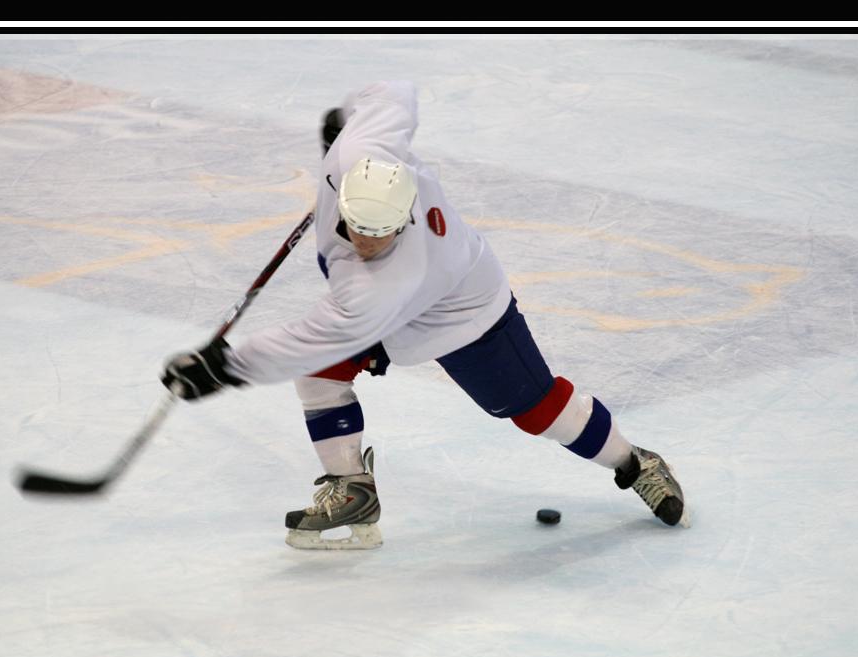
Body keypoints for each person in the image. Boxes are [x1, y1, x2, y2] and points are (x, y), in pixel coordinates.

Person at [162, 81, 687, 550]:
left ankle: (634, 462)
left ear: (404, 215)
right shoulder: (361, 152)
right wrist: (349, 114)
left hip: (465, 313)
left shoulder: (388, 278)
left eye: (383, 233)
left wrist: (223, 369)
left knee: (536, 410)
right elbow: (393, 93)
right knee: (319, 375)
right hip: (396, 306)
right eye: (360, 228)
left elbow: (316, 335)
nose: (369, 243)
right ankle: (352, 488)